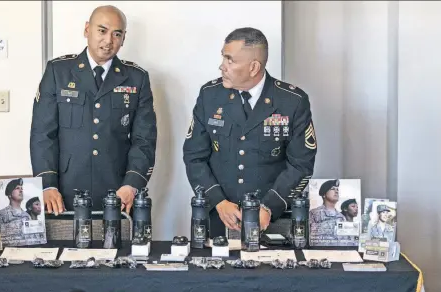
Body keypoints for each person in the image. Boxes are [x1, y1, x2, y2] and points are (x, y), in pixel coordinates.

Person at [182, 27, 317, 237]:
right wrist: (217, 200)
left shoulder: (292, 102)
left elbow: (301, 164)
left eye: (230, 60)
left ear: (254, 67)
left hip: (272, 221)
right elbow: (194, 156)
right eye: (223, 58)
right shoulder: (210, 96)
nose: (222, 66)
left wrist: (269, 207)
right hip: (219, 217)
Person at [30, 5, 157, 216]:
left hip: (119, 194)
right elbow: (43, 134)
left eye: (117, 34)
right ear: (87, 29)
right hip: (63, 194)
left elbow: (144, 139)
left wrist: (132, 184)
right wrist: (47, 184)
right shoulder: (58, 72)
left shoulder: (137, 78)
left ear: (124, 38)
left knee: (119, 247)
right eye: (102, 30)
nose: (108, 41)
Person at [309, 179, 349, 246]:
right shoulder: (314, 214)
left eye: (337, 189)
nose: (336, 191)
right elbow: (310, 238)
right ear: (324, 194)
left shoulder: (342, 217)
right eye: (333, 189)